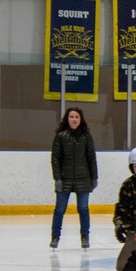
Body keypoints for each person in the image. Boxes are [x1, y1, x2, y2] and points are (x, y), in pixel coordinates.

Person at [50, 107, 98, 249]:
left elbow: (91, 158)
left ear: (80, 120)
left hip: (83, 178)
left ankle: (84, 237)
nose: (74, 119)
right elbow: (55, 159)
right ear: (67, 119)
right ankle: (55, 236)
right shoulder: (60, 136)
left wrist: (94, 177)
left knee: (83, 209)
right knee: (59, 209)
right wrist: (57, 178)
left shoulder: (86, 137)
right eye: (71, 117)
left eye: (77, 117)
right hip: (64, 179)